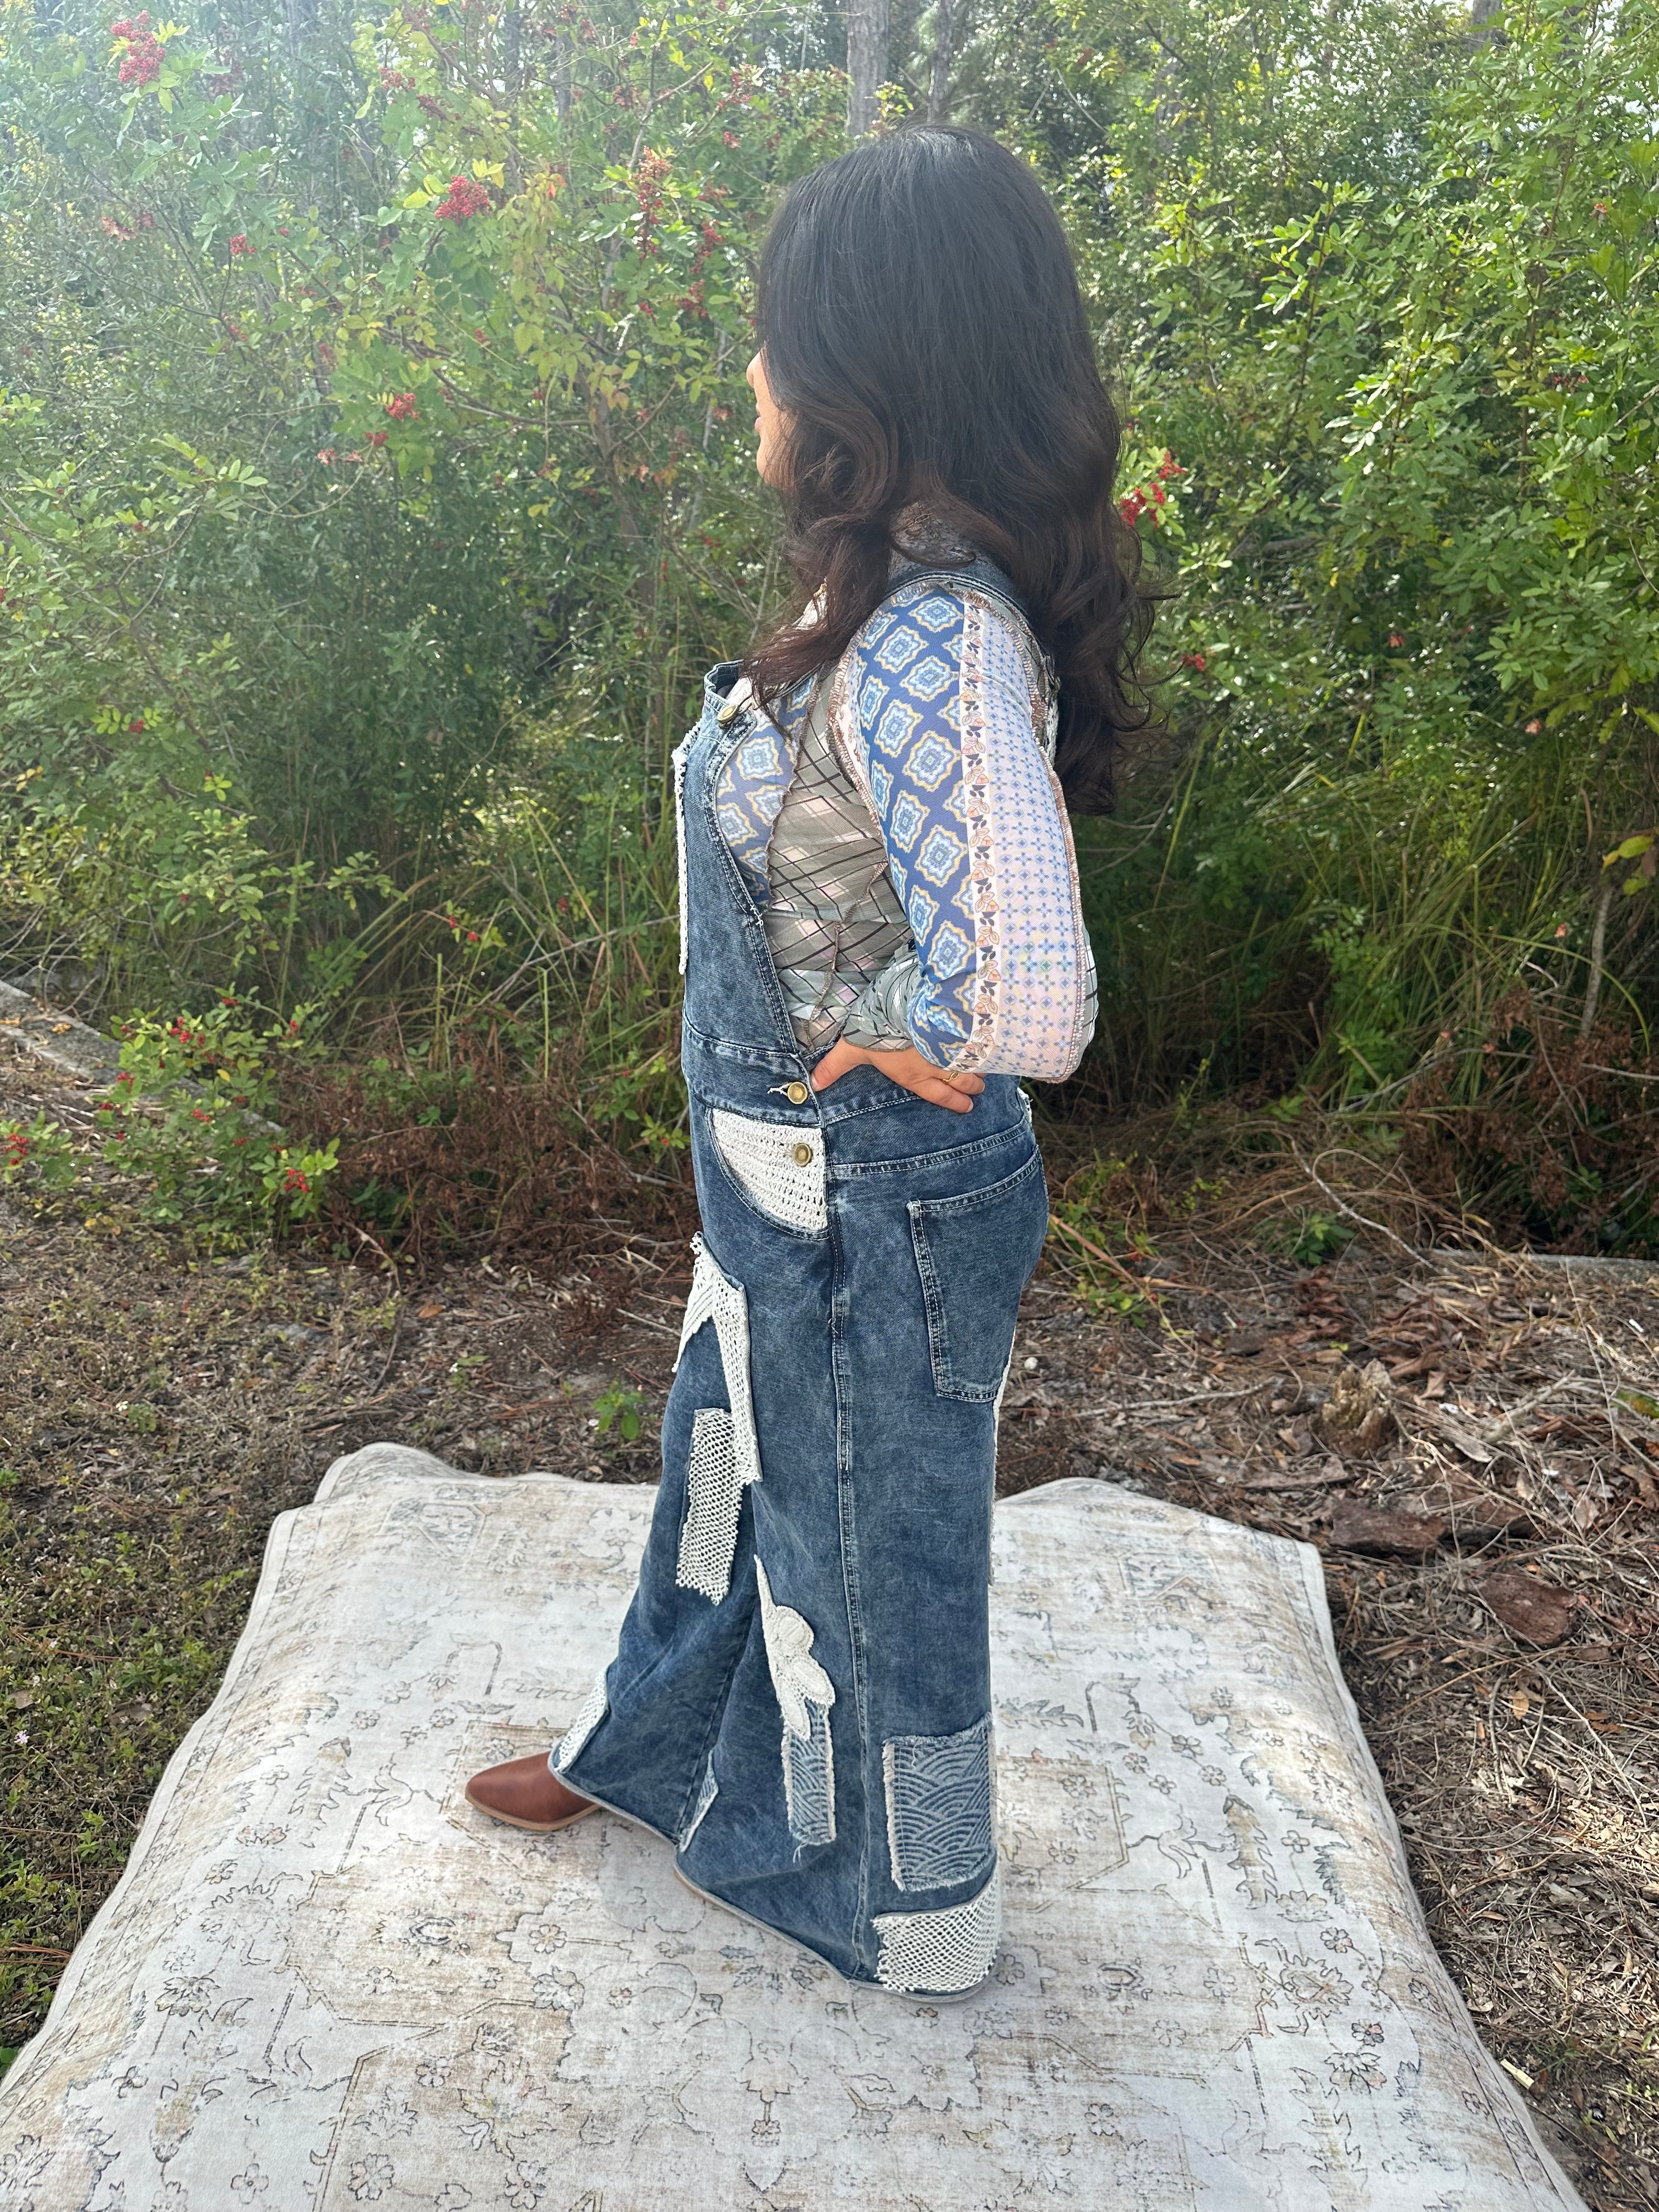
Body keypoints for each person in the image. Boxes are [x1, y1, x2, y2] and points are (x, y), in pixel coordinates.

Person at [466, 125, 1149, 1994]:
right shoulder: (888, 601)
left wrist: (899, 1042)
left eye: (779, 335)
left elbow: (1031, 1000)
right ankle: (657, 1756)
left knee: (872, 1553)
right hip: (788, 1183)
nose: (755, 373)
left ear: (870, 366)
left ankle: (909, 1903)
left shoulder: (932, 643)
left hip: (870, 1208)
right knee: (726, 1469)